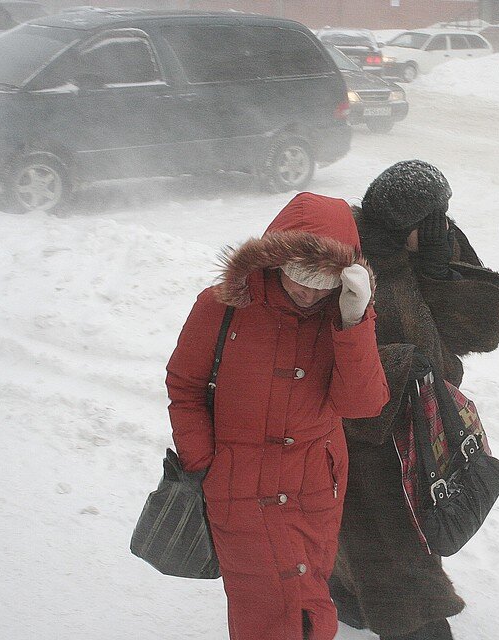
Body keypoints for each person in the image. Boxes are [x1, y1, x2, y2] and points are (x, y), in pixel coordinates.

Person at [165, 192, 389, 640]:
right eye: (298, 274)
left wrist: (353, 321)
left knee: (308, 600)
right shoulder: (223, 305)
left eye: (321, 281)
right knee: (267, 613)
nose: (307, 291)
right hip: (238, 486)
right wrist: (205, 463)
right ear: (274, 259)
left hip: (314, 489)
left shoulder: (344, 317)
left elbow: (363, 405)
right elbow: (184, 387)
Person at [329, 160, 499, 640]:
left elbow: (480, 331)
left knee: (408, 528)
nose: (445, 224)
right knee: (391, 545)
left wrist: (440, 273)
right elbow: (321, 352)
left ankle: (350, 598)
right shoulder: (347, 261)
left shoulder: (431, 245)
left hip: (422, 417)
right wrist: (393, 364)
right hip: (368, 437)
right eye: (434, 216)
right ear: (401, 221)